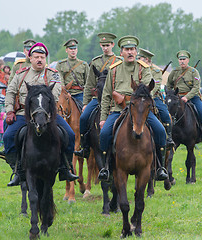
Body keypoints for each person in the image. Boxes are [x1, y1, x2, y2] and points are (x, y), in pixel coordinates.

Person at [2, 42, 78, 187]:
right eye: (36, 57)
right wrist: (10, 111)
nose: (39, 60)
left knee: (69, 134)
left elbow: (55, 94)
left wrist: (45, 110)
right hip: (24, 114)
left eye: (42, 57)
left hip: (47, 114)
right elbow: (10, 92)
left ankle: (65, 168)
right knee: (8, 137)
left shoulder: (53, 74)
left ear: (46, 59)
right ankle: (17, 170)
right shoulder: (20, 74)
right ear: (30, 58)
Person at [99, 35, 168, 181]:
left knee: (161, 131)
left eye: (132, 49)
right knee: (104, 133)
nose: (130, 52)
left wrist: (129, 99)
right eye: (126, 49)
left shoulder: (144, 69)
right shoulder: (114, 69)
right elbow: (106, 95)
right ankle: (106, 168)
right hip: (118, 110)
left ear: (136, 52)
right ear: (121, 52)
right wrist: (103, 118)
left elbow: (148, 90)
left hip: (140, 110)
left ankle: (160, 167)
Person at [75, 32, 122, 159]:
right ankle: (85, 147)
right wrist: (85, 103)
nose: (105, 47)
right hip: (98, 98)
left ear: (112, 45)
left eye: (107, 45)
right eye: (103, 45)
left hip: (115, 100)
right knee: (84, 118)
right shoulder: (95, 62)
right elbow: (89, 84)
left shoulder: (119, 62)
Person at [166, 50, 202, 146]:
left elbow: (196, 87)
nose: (182, 61)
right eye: (180, 59)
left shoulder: (193, 72)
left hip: (192, 97)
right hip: (177, 98)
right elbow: (168, 84)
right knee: (167, 113)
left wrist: (187, 97)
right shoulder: (174, 72)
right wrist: (171, 94)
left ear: (188, 60)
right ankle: (168, 136)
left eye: (184, 59)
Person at [138, 48, 175, 149]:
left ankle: (169, 138)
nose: (138, 60)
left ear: (147, 60)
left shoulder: (156, 71)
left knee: (165, 113)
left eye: (140, 58)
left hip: (154, 98)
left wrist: (148, 96)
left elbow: (156, 86)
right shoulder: (137, 69)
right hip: (139, 99)